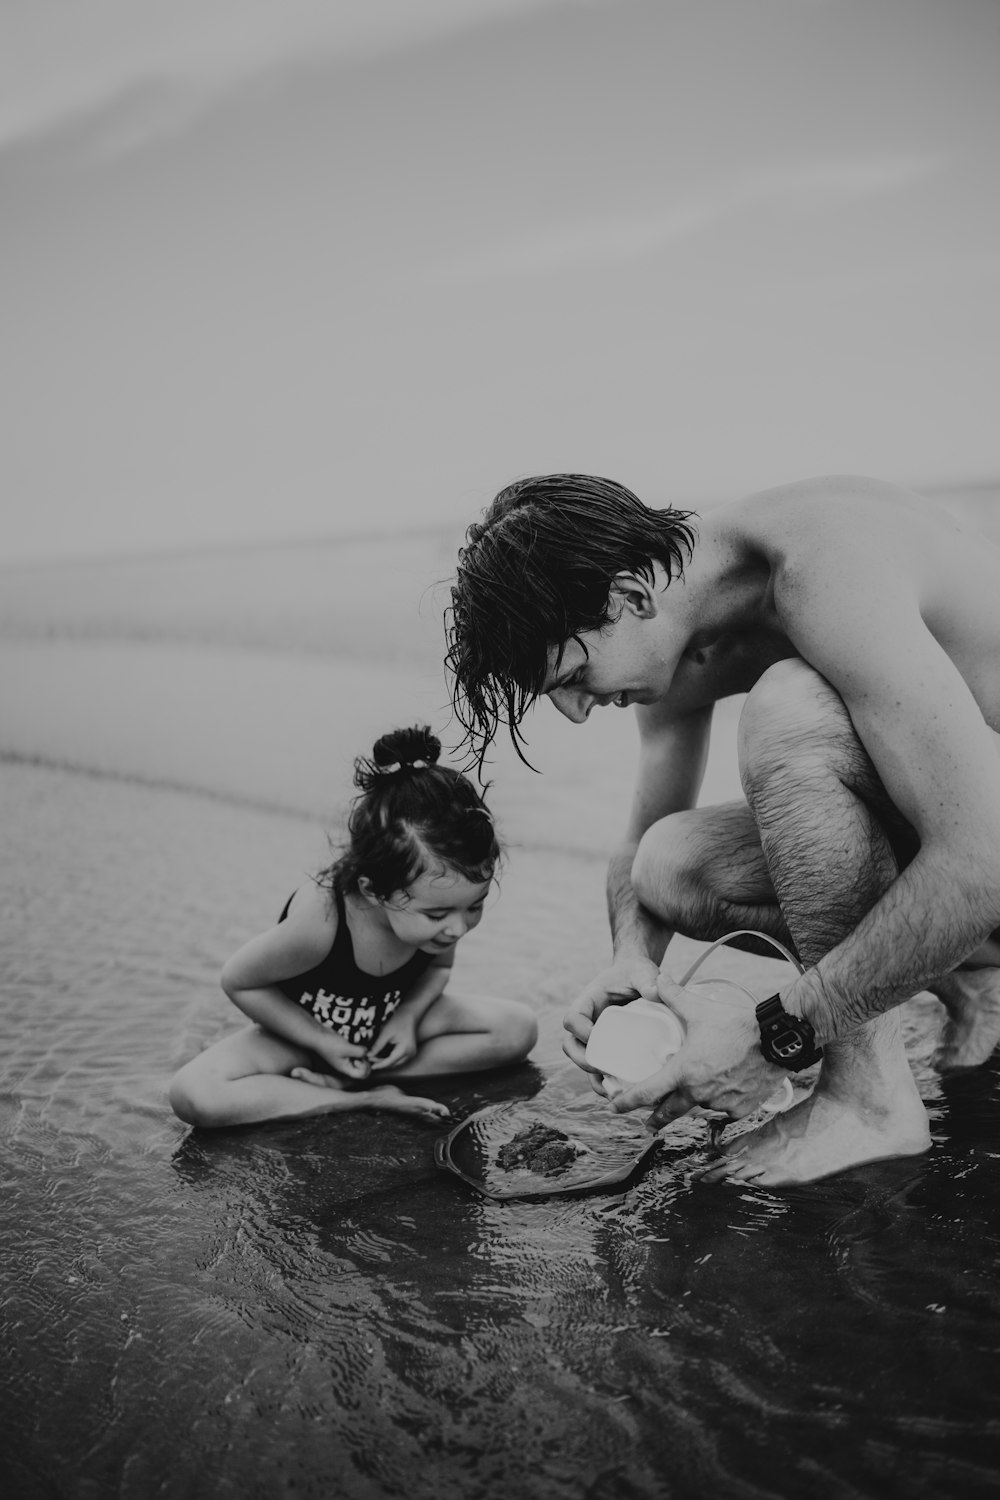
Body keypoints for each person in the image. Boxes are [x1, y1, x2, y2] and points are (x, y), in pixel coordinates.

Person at [446, 473, 1000, 1185]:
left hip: (984, 851)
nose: (578, 714)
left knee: (790, 711)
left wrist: (773, 1038)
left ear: (631, 598)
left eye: (574, 678)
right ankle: (976, 985)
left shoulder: (823, 568)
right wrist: (629, 961)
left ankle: (868, 1097)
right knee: (667, 867)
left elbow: (980, 860)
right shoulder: (680, 634)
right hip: (974, 837)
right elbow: (635, 847)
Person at [169, 725, 537, 1129]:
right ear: (374, 890)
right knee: (195, 1093)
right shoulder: (322, 921)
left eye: (475, 907)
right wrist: (322, 1041)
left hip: (387, 1030)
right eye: (436, 916)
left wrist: (408, 1019)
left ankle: (362, 1077)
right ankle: (354, 1098)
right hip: (304, 1039)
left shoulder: (443, 912)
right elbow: (240, 982)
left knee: (517, 1030)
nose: (457, 929)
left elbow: (438, 968)